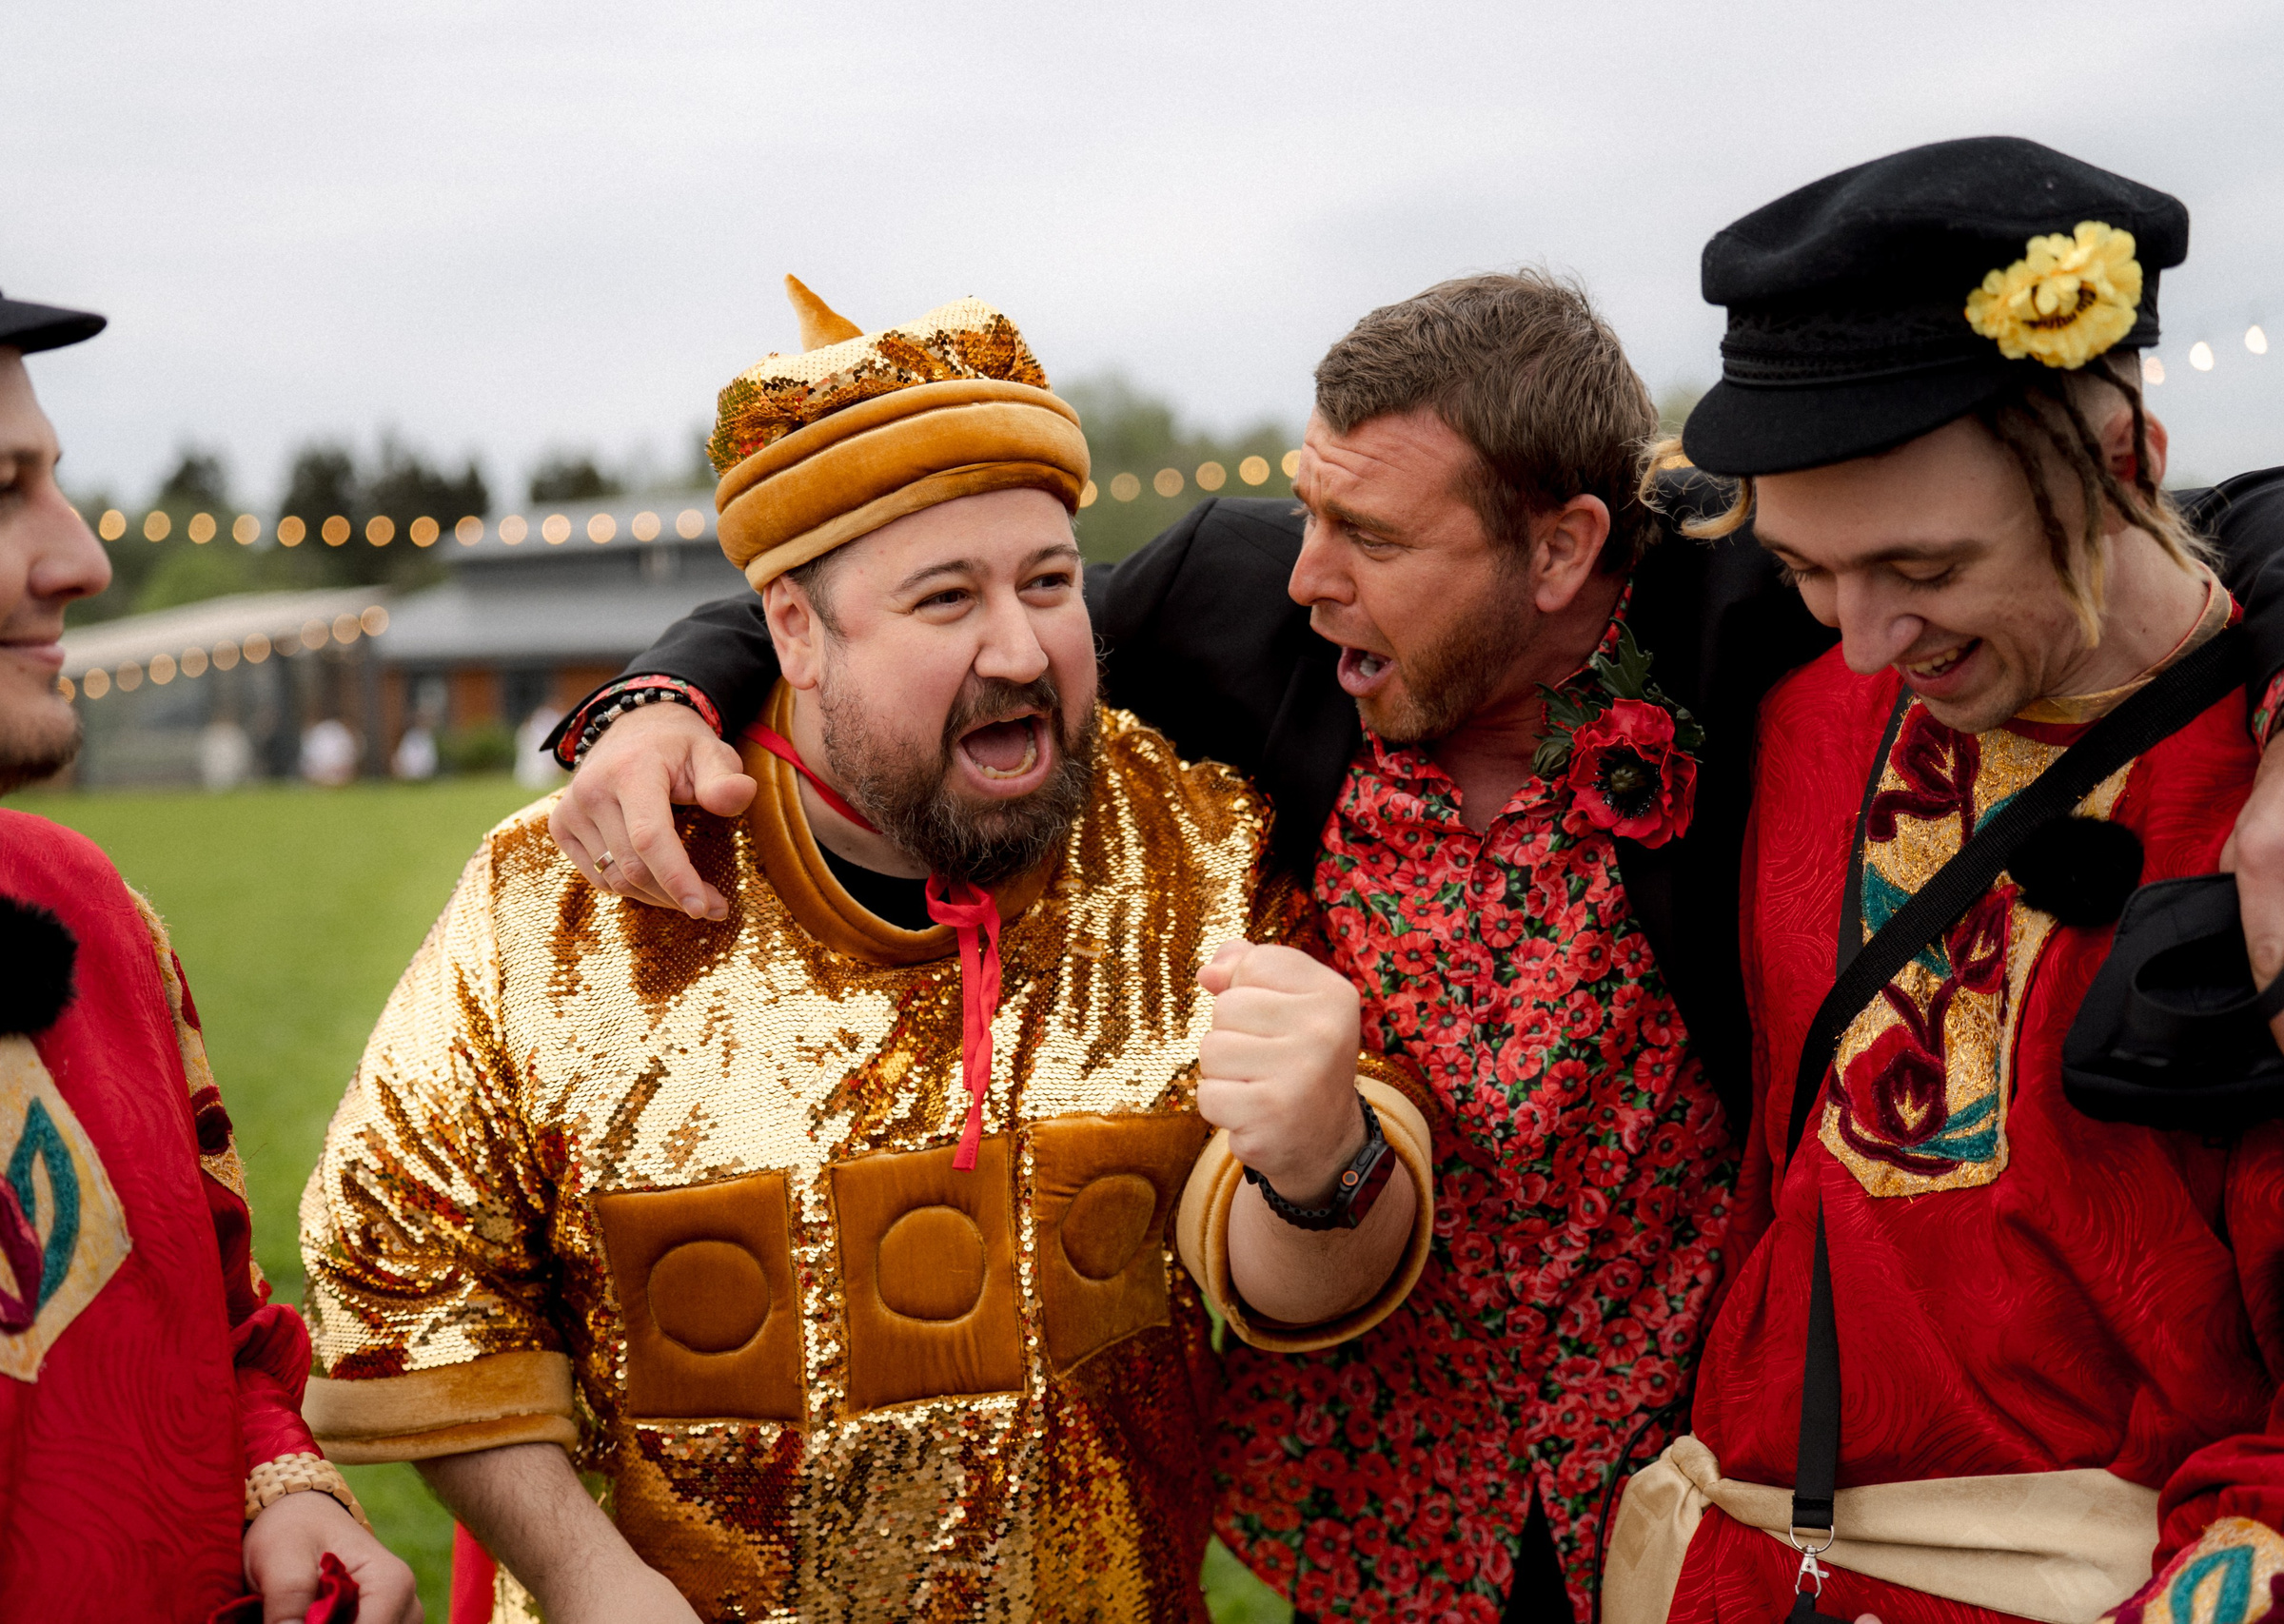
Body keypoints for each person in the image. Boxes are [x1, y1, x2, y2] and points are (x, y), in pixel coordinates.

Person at [542, 269, 2284, 1620]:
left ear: (1566, 549)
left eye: (1371, 536)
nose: (1310, 572)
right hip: (1363, 1517)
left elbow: (2182, 541)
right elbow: (907, 608)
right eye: (1311, 511)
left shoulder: (1751, 607)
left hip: (1685, 1505)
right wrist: (666, 685)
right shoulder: (1239, 603)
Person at [297, 281, 1439, 1623]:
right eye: (946, 598)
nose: (1019, 646)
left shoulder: (1202, 852)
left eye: (1051, 583)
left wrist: (1320, 1166)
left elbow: (1305, 1277)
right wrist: (586, 1574)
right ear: (792, 632)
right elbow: (406, 1278)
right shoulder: (568, 899)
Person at [1600, 136, 2284, 1624]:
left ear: (2120, 465)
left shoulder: (2257, 799)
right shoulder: (1790, 703)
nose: (1860, 640)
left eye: (1923, 566)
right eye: (1806, 572)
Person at [0, 169, 417, 1620]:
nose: (83, 557)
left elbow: (223, 1338)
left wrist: (283, 1483)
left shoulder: (83, 904)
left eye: (48, 475)